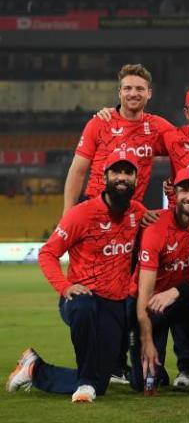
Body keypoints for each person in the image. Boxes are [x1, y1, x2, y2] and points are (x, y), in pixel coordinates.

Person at [8, 150, 147, 402]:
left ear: (137, 179)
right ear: (105, 176)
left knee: (99, 385)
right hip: (83, 298)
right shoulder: (81, 213)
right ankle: (84, 383)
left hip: (115, 304)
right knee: (83, 307)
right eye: (117, 171)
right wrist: (65, 286)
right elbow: (47, 253)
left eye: (128, 172)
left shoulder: (138, 212)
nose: (122, 178)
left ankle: (34, 369)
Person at [129, 167, 189, 391]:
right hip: (151, 303)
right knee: (144, 383)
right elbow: (144, 291)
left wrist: (176, 292)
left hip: (180, 297)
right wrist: (147, 340)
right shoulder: (155, 226)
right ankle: (154, 368)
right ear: (174, 193)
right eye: (184, 190)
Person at [64, 64, 173, 214]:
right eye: (128, 88)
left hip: (132, 216)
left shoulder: (157, 127)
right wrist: (67, 216)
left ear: (149, 93)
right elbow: (77, 172)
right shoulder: (99, 123)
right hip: (95, 211)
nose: (133, 93)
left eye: (140, 89)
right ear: (119, 92)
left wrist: (174, 179)